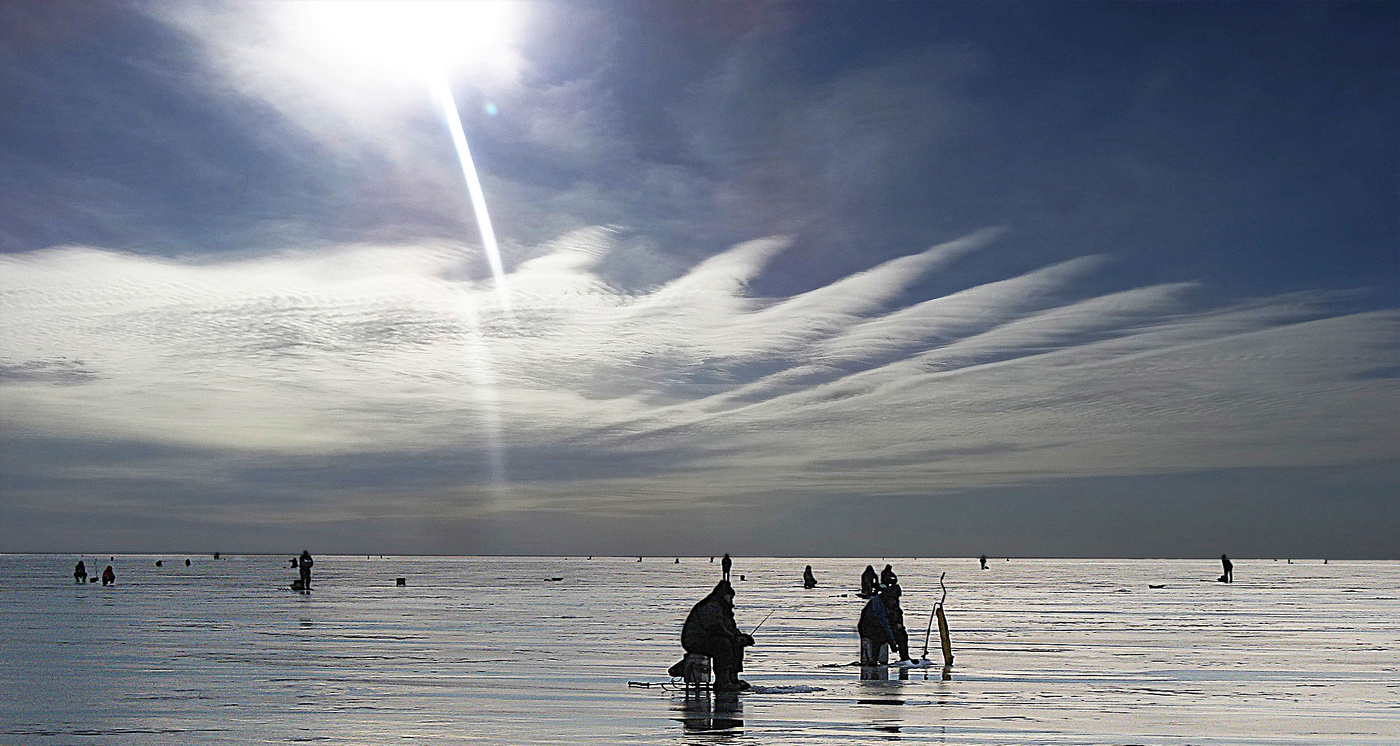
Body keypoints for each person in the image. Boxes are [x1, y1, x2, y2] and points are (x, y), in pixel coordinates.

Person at [680, 580, 753, 691]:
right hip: (695, 641)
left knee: (737, 642)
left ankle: (732, 677)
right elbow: (716, 628)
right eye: (730, 597)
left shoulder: (724, 609)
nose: (731, 600)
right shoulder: (711, 606)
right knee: (724, 644)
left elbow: (731, 628)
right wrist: (733, 637)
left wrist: (741, 637)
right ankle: (722, 681)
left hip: (709, 639)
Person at [858, 585, 911, 664]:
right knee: (878, 637)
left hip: (885, 626)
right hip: (869, 627)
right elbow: (883, 622)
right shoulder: (878, 602)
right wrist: (892, 641)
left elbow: (898, 613)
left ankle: (905, 659)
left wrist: (899, 624)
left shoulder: (893, 601)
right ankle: (873, 660)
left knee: (902, 634)